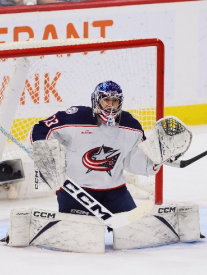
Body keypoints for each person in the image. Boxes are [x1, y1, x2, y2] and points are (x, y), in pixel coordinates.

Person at [30, 80, 160, 215]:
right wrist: (43, 154)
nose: (111, 105)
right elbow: (41, 129)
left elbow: (133, 161)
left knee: (133, 231)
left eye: (115, 101)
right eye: (106, 100)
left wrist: (154, 160)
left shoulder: (131, 126)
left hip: (116, 193)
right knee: (78, 235)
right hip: (76, 192)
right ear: (96, 101)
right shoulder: (76, 118)